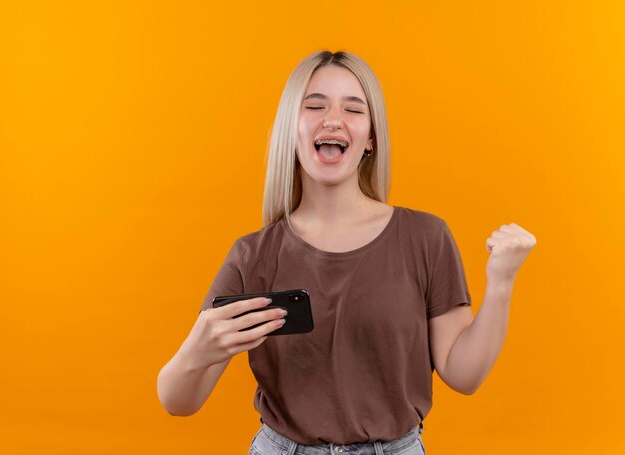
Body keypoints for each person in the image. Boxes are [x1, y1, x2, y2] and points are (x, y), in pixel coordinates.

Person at [157, 50, 537, 455]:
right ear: (292, 128)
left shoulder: (425, 237)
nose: (333, 118)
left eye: (353, 109)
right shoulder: (253, 255)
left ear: (371, 137)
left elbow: (464, 375)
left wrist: (501, 282)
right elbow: (178, 402)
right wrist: (197, 349)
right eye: (315, 105)